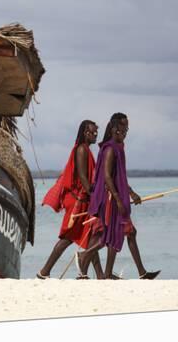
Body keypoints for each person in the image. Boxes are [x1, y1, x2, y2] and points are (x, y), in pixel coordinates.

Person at [76, 113, 161, 280]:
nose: (126, 131)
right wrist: (118, 200)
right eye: (124, 128)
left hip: (117, 196)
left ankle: (131, 273)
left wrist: (131, 193)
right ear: (115, 129)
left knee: (125, 233)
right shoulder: (109, 149)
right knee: (110, 235)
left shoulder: (119, 147)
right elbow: (107, 177)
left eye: (127, 128)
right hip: (110, 199)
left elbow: (119, 177)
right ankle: (87, 258)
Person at [37, 120, 104, 279]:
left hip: (83, 199)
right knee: (68, 236)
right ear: (85, 133)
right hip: (77, 201)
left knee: (89, 234)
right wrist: (94, 194)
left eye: (96, 132)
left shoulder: (86, 149)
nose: (95, 135)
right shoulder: (81, 150)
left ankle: (99, 275)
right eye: (93, 132)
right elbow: (82, 176)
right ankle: (44, 271)